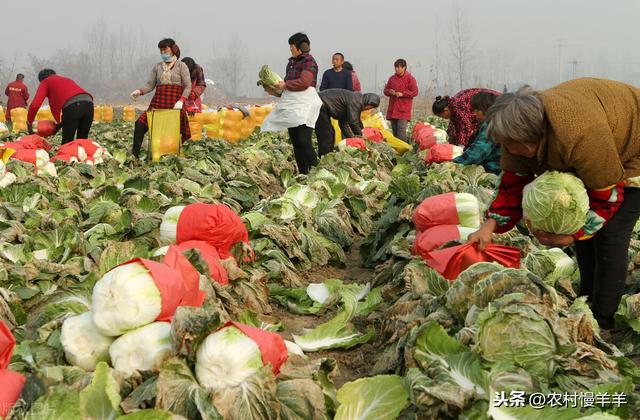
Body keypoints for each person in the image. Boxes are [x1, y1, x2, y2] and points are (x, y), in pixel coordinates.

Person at [467, 79, 640, 330]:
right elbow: (512, 187)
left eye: (508, 143)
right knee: (585, 231)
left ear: (528, 138)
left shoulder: (580, 134)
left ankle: (602, 320)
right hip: (602, 144)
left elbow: (607, 198)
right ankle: (587, 300)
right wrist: (489, 225)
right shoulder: (516, 140)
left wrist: (573, 235)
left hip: (633, 149)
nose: (505, 149)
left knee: (610, 234)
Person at [262, 32, 320, 175]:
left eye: (292, 47)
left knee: (304, 141)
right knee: (296, 143)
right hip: (292, 105)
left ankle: (318, 174)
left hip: (305, 105)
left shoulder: (309, 61)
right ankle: (303, 174)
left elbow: (304, 83)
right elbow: (288, 89)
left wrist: (284, 85)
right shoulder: (292, 63)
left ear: (301, 47)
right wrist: (274, 91)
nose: (291, 50)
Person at [130, 38, 191, 158]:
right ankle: (134, 155)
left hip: (174, 105)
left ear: (173, 50)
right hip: (157, 103)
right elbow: (150, 85)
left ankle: (168, 156)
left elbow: (188, 86)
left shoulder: (181, 66)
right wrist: (140, 91)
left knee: (169, 134)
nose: (163, 53)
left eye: (165, 50)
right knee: (140, 124)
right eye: (161, 51)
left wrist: (181, 101)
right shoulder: (157, 67)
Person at [27, 69, 93, 143]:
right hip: (89, 104)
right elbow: (65, 109)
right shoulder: (66, 79)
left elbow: (35, 105)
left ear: (42, 79)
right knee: (82, 141)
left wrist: (29, 123)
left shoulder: (45, 82)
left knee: (67, 142)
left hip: (73, 106)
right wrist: (59, 124)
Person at [315, 89, 380, 157]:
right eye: (371, 107)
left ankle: (328, 154)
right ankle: (324, 156)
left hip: (321, 104)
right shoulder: (356, 101)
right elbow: (353, 122)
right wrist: (361, 135)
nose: (369, 109)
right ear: (369, 102)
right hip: (320, 104)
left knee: (330, 133)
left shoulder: (355, 100)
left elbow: (343, 123)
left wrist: (352, 138)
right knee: (327, 134)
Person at [452, 91, 501, 174]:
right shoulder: (495, 121)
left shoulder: (491, 125)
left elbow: (478, 151)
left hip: (493, 170)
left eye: (477, 110)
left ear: (486, 108)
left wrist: (454, 163)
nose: (474, 113)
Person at [432, 87, 500, 147]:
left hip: (495, 103)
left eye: (440, 115)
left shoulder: (457, 106)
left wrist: (461, 146)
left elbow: (465, 126)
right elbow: (455, 128)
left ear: (445, 111)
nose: (441, 118)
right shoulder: (452, 107)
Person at [383, 59, 418, 141]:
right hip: (393, 109)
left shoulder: (410, 78)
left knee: (401, 132)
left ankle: (404, 151)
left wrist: (403, 94)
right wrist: (390, 91)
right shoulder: (392, 79)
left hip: (403, 110)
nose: (397, 69)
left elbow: (415, 92)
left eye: (399, 67)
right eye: (396, 67)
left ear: (404, 68)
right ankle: (397, 151)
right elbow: (385, 90)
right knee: (395, 132)